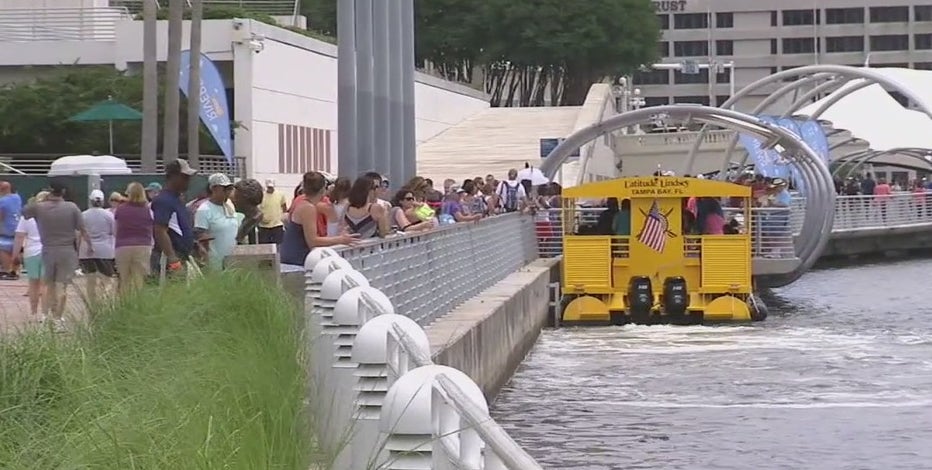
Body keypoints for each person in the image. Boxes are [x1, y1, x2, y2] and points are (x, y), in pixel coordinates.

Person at [22, 180, 90, 332]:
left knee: (48, 285)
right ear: (63, 192)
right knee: (62, 286)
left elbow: (25, 211)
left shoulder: (40, 207)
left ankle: (45, 316)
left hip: (47, 249)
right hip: (66, 249)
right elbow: (82, 229)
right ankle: (58, 318)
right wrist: (89, 246)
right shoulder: (71, 207)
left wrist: (41, 200)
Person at [280, 171, 359, 266]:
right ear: (323, 190)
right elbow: (313, 241)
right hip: (296, 259)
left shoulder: (302, 202)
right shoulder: (308, 208)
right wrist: (340, 239)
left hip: (290, 256)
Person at [151, 159, 197, 278]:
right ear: (173, 176)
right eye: (184, 177)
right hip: (168, 258)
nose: (188, 181)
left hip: (181, 255)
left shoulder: (177, 199)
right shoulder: (164, 200)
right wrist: (173, 260)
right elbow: (160, 230)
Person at [12, 191, 49, 320]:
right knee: (46, 285)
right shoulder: (52, 215)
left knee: (33, 284)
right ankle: (45, 314)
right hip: (48, 251)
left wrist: (15, 254)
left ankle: (33, 313)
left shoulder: (27, 217)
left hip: (31, 252)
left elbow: (19, 236)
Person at [194, 173, 243, 271]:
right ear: (214, 189)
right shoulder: (204, 210)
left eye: (229, 188)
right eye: (224, 189)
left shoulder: (229, 206)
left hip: (233, 261)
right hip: (215, 263)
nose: (228, 192)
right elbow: (200, 237)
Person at [114, 182, 154, 294]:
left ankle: (124, 305)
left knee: (124, 279)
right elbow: (152, 229)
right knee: (139, 280)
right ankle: (138, 306)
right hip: (143, 245)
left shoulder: (120, 209)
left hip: (123, 246)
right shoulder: (148, 210)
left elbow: (115, 230)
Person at [79, 189, 117, 304]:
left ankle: (93, 305)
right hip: (105, 250)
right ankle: (104, 299)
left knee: (90, 281)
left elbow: (80, 232)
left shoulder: (83, 215)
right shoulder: (109, 215)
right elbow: (114, 232)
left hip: (86, 251)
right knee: (107, 280)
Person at [0, 181, 23, 280]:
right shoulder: (17, 198)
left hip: (6, 229)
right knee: (16, 249)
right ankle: (15, 270)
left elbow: (1, 215)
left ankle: (6, 270)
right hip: (18, 227)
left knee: (3, 248)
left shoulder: (2, 201)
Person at [258, 178, 287, 244]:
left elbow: (284, 206)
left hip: (277, 224)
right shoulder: (261, 195)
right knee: (264, 246)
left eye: (271, 187)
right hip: (264, 225)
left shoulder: (280, 194)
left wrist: (283, 217)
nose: (270, 189)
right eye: (269, 187)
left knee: (278, 245)